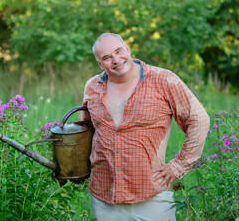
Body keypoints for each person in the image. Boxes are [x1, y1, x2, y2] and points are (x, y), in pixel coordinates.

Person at [80, 33, 210, 221]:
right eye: (107, 58)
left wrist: (179, 165)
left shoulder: (163, 80)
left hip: (152, 196)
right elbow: (85, 132)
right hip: (104, 198)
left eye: (118, 51)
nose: (116, 60)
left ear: (128, 50)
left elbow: (199, 119)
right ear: (100, 64)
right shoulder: (92, 87)